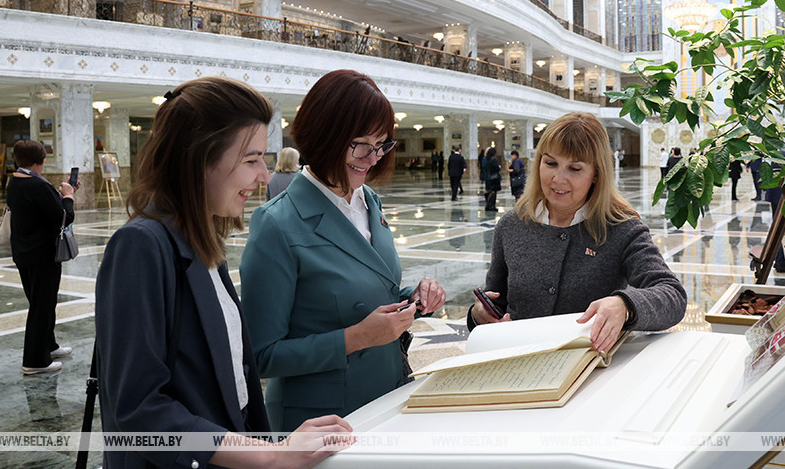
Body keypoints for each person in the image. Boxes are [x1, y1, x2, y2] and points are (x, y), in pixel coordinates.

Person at [95, 77, 352, 468]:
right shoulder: (142, 246)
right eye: (251, 160)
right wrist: (269, 455)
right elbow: (139, 410)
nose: (264, 176)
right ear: (199, 158)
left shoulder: (201, 240)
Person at [240, 69, 447, 432]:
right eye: (360, 144)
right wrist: (356, 338)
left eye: (381, 144)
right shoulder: (278, 223)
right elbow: (260, 355)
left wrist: (411, 298)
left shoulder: (369, 202)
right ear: (324, 135)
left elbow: (367, 290)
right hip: (323, 422)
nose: (373, 157)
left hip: (386, 398)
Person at [467, 113, 687, 353]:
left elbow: (672, 295)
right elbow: (497, 301)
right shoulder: (512, 224)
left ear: (596, 174)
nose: (558, 179)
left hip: (589, 375)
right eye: (550, 163)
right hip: (519, 366)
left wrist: (625, 305)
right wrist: (479, 315)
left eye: (574, 168)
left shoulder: (621, 228)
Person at [7, 139, 77, 375]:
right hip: (42, 255)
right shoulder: (37, 186)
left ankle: (48, 345)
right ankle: (35, 360)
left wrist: (58, 196)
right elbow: (63, 218)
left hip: (23, 252)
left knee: (41, 301)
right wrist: (68, 197)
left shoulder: (15, 181)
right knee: (42, 305)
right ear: (41, 161)